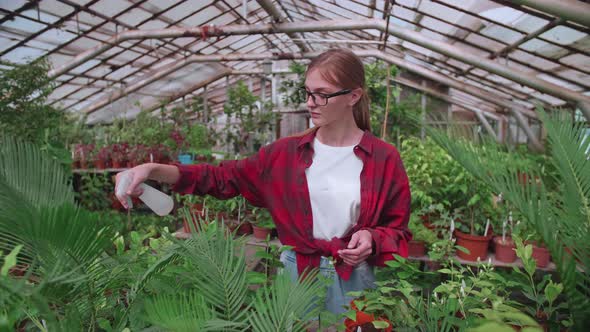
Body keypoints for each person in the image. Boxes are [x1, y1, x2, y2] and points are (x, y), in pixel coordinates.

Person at [115, 48, 411, 316]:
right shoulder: (284, 155)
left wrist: (372, 238)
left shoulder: (383, 159)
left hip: (355, 278)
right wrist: (152, 169)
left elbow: (397, 230)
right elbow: (220, 177)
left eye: (321, 94)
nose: (310, 103)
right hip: (297, 276)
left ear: (353, 96)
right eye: (307, 92)